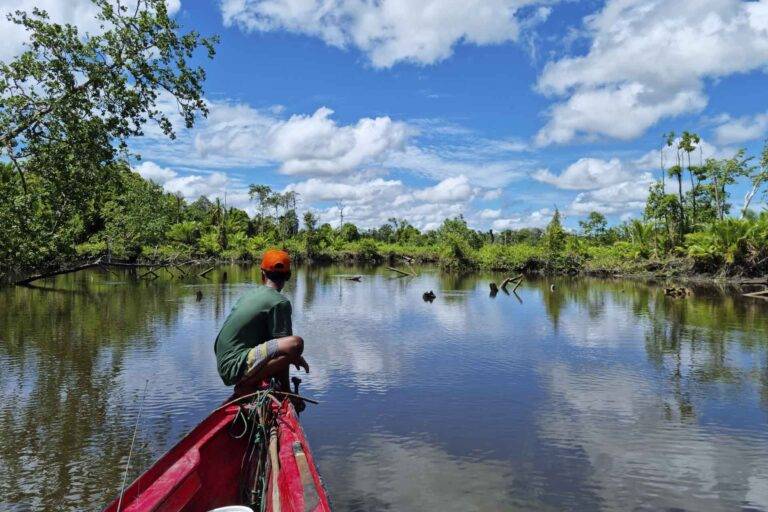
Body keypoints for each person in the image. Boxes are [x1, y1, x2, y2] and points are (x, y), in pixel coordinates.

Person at [214, 249, 309, 395]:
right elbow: (287, 348)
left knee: (289, 348)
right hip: (235, 364)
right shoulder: (280, 303)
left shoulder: (251, 294)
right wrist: (286, 391)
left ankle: (250, 380)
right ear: (289, 276)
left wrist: (294, 358)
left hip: (225, 361)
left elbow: (276, 345)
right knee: (295, 344)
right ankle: (247, 384)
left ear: (262, 274)